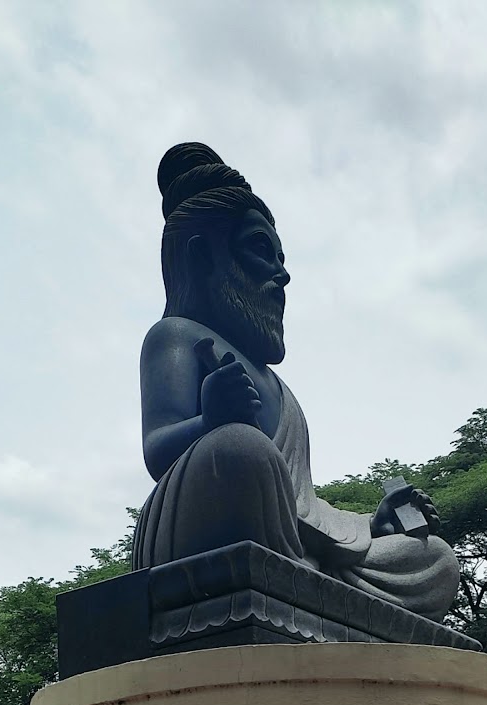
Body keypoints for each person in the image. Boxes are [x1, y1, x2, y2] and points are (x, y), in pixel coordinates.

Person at [134, 143, 461, 624]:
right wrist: (210, 421)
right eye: (261, 251)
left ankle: (306, 584)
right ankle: (299, 583)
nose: (281, 274)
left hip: (286, 544)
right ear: (203, 256)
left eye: (282, 258)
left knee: (435, 560)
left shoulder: (278, 388)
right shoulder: (176, 336)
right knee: (240, 450)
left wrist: (371, 527)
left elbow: (296, 503)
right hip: (201, 525)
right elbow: (157, 452)